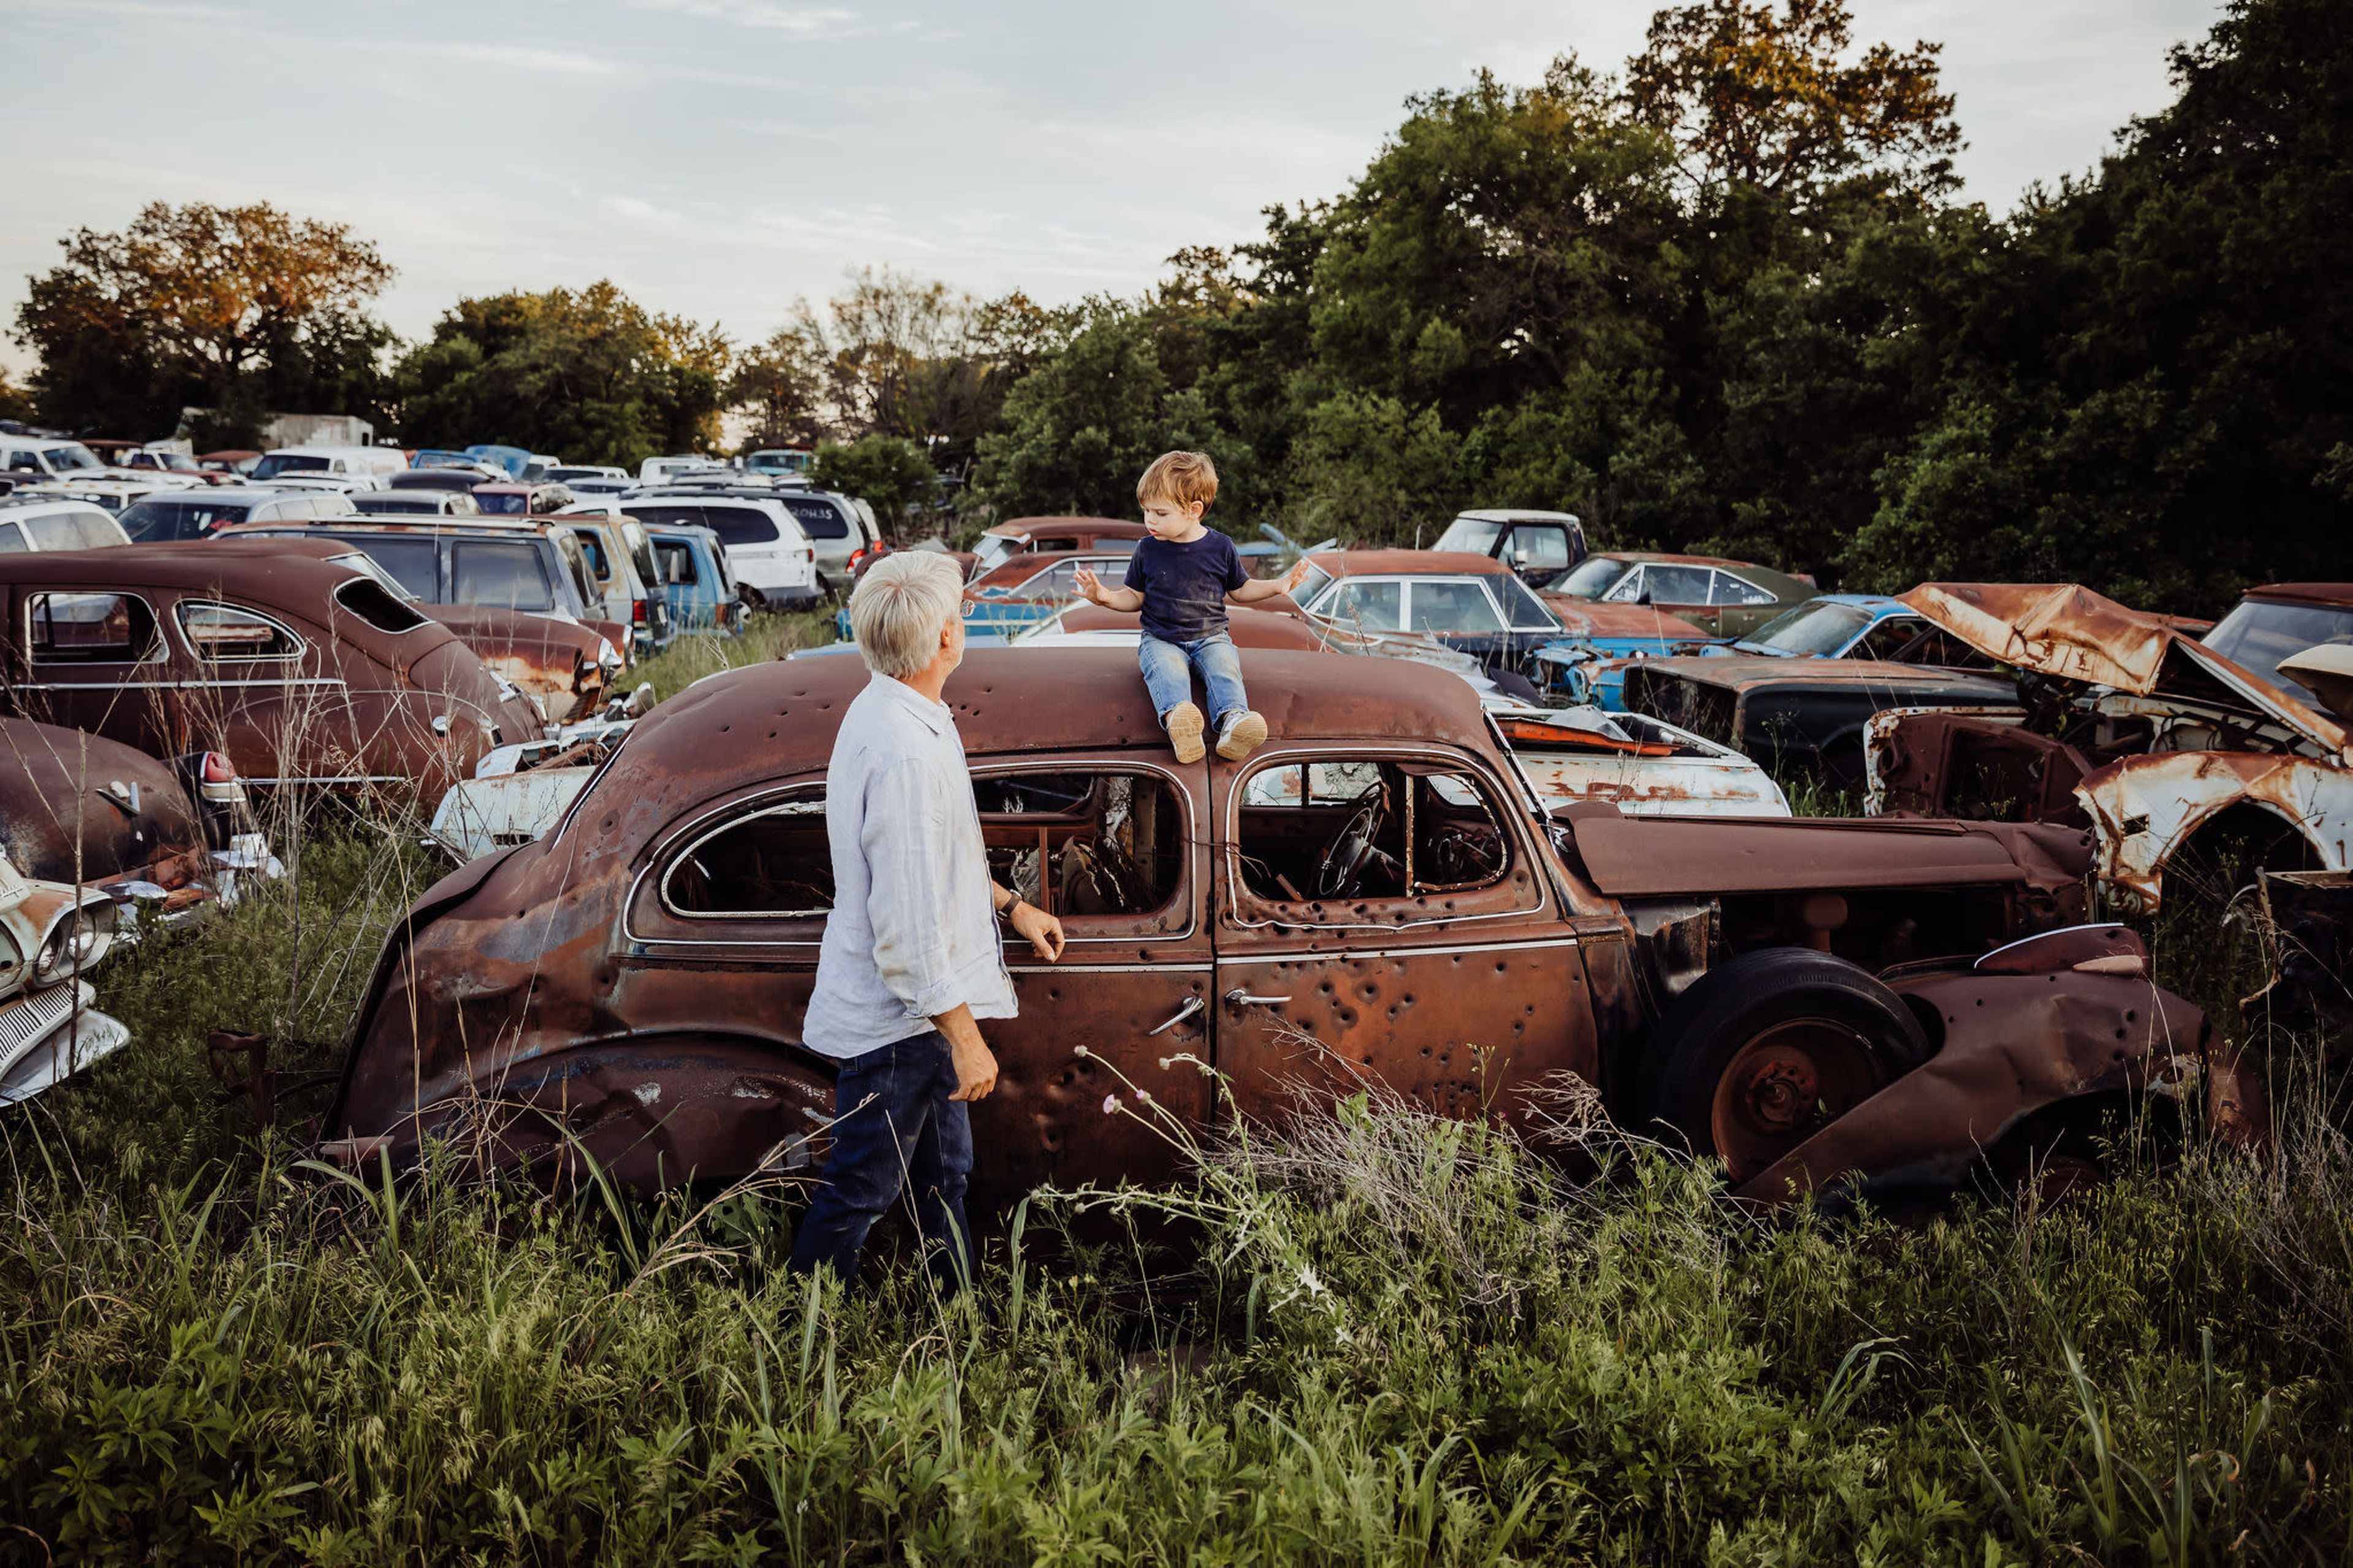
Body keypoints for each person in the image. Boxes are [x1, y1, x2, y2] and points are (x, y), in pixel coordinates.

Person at [788, 551, 1066, 1293]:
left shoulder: (898, 707)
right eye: (963, 615)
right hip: (902, 1023)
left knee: (948, 1173)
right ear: (945, 638)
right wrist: (967, 1042)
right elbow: (907, 935)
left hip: (927, 1016)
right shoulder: (904, 751)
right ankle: (800, 1331)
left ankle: (956, 1318)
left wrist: (1012, 905)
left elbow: (936, 863)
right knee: (861, 1189)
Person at [1072, 450, 1314, 763]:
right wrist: (1104, 596)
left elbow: (1240, 590)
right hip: (1161, 639)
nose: (1150, 521)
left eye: (1160, 513)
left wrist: (1278, 586)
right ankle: (1180, 723)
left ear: (1194, 510)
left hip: (1211, 637)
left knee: (1225, 669)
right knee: (1168, 672)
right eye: (1146, 511)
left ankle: (1233, 724)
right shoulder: (1147, 549)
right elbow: (1135, 596)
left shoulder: (1220, 547)